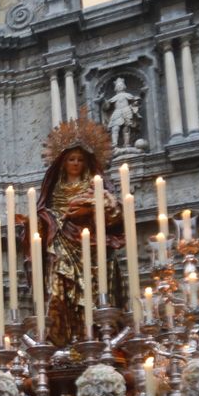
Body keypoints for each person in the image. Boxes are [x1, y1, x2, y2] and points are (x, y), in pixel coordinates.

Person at [35, 115, 124, 344]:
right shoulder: (54, 190)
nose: (75, 163)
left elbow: (115, 211)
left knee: (95, 291)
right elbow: (44, 214)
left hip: (93, 247)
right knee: (59, 289)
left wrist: (93, 209)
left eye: (80, 159)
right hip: (61, 243)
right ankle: (65, 339)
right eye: (71, 159)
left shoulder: (96, 186)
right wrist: (45, 219)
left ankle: (96, 337)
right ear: (62, 162)